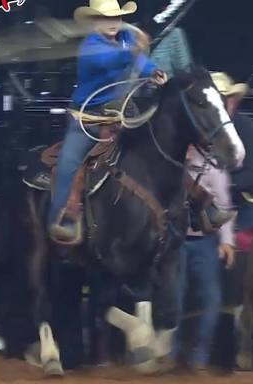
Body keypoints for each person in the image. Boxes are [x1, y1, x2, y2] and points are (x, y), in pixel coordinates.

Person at [48, 0, 167, 244]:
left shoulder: (125, 38)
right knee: (67, 165)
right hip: (88, 121)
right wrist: (135, 50)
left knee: (156, 146)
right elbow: (109, 61)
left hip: (122, 115)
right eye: (105, 18)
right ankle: (60, 219)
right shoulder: (90, 47)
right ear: (94, 22)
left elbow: (139, 63)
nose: (112, 22)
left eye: (116, 17)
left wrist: (153, 70)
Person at [175, 145, 236, 371]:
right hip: (176, 242)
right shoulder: (169, 166)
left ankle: (200, 356)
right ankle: (171, 354)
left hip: (205, 242)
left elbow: (224, 207)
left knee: (210, 299)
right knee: (175, 298)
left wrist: (227, 242)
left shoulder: (214, 168)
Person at [211, 72, 253, 232]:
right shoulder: (203, 129)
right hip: (208, 203)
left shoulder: (246, 127)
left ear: (233, 102)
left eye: (226, 99)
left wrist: (222, 184)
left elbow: (252, 174)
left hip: (243, 202)